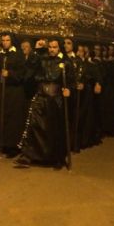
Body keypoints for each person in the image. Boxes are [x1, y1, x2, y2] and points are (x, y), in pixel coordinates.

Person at [14, 38, 74, 169]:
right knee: (35, 126)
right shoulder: (41, 59)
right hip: (41, 97)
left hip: (56, 99)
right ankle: (29, 156)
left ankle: (57, 158)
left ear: (59, 48)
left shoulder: (65, 62)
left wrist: (69, 89)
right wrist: (36, 49)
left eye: (54, 47)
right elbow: (29, 66)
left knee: (55, 129)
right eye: (50, 47)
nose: (52, 49)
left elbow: (71, 80)